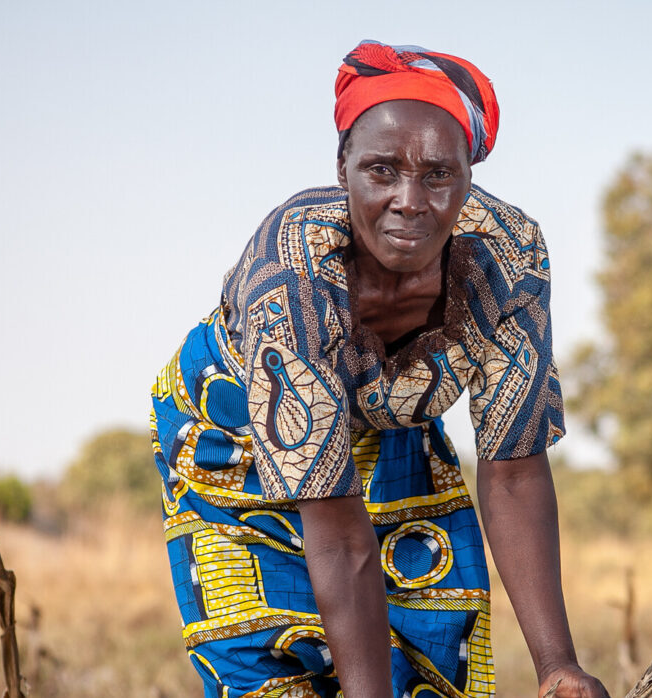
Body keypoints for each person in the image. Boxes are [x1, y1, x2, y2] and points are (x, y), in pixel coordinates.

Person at [150, 40, 609, 698]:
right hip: (233, 444)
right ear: (342, 169)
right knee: (267, 659)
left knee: (425, 648)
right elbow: (340, 536)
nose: (409, 199)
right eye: (381, 170)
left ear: (468, 180)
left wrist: (556, 664)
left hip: (390, 433)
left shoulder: (507, 262)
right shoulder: (294, 279)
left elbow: (512, 470)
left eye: (438, 174)